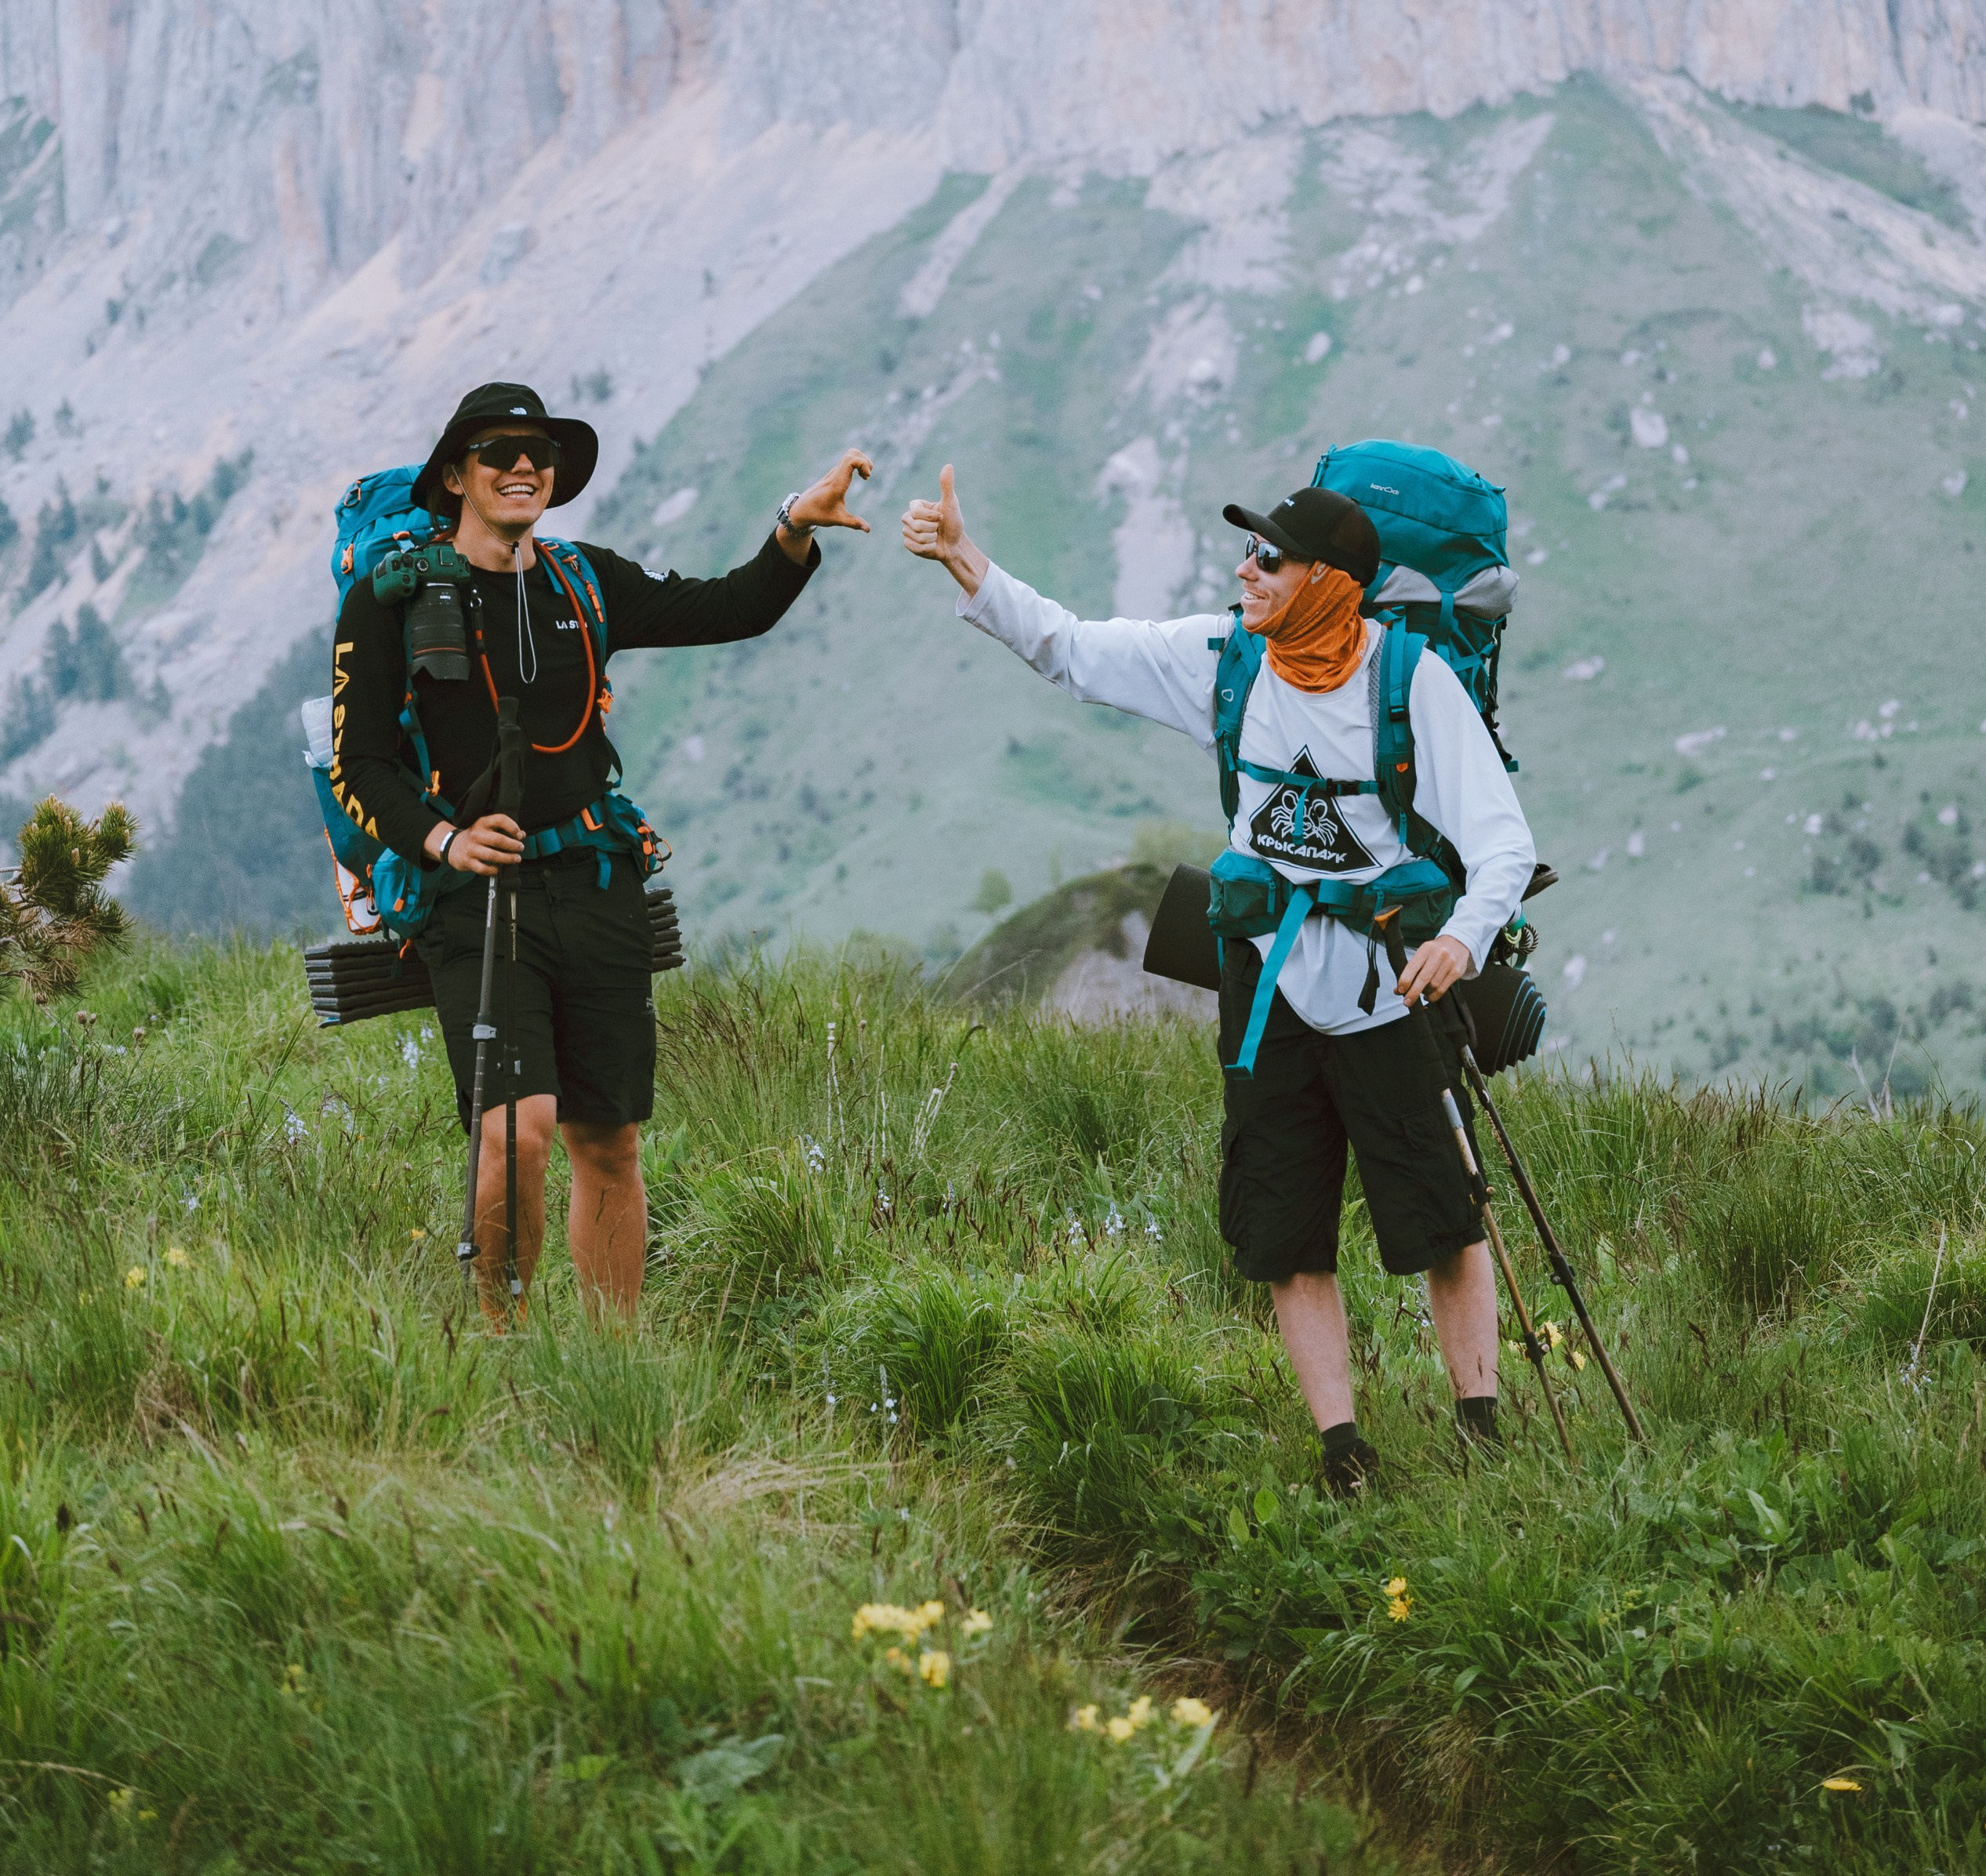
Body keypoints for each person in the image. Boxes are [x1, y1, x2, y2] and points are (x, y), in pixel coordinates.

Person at [901, 464, 1535, 1487]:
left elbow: (1501, 839)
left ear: (1329, 582)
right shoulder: (1226, 658)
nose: (1246, 569)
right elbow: (1071, 648)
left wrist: (1460, 940)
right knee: (1285, 1226)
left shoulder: (1410, 682)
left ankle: (1479, 1432)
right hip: (1265, 986)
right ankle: (1341, 1451)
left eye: (1270, 556)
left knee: (1443, 1215)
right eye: (1247, 549)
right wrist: (964, 559)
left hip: (1387, 985)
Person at [332, 381, 871, 1320]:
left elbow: (730, 606)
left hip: (597, 880)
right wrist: (444, 839)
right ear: (454, 477)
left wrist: (792, 526)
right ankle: (504, 1346)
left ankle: (609, 1363)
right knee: (516, 1132)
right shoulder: (394, 600)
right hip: (474, 897)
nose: (523, 465)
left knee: (610, 1140)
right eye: (497, 452)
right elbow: (361, 761)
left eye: (538, 452)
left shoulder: (586, 580)